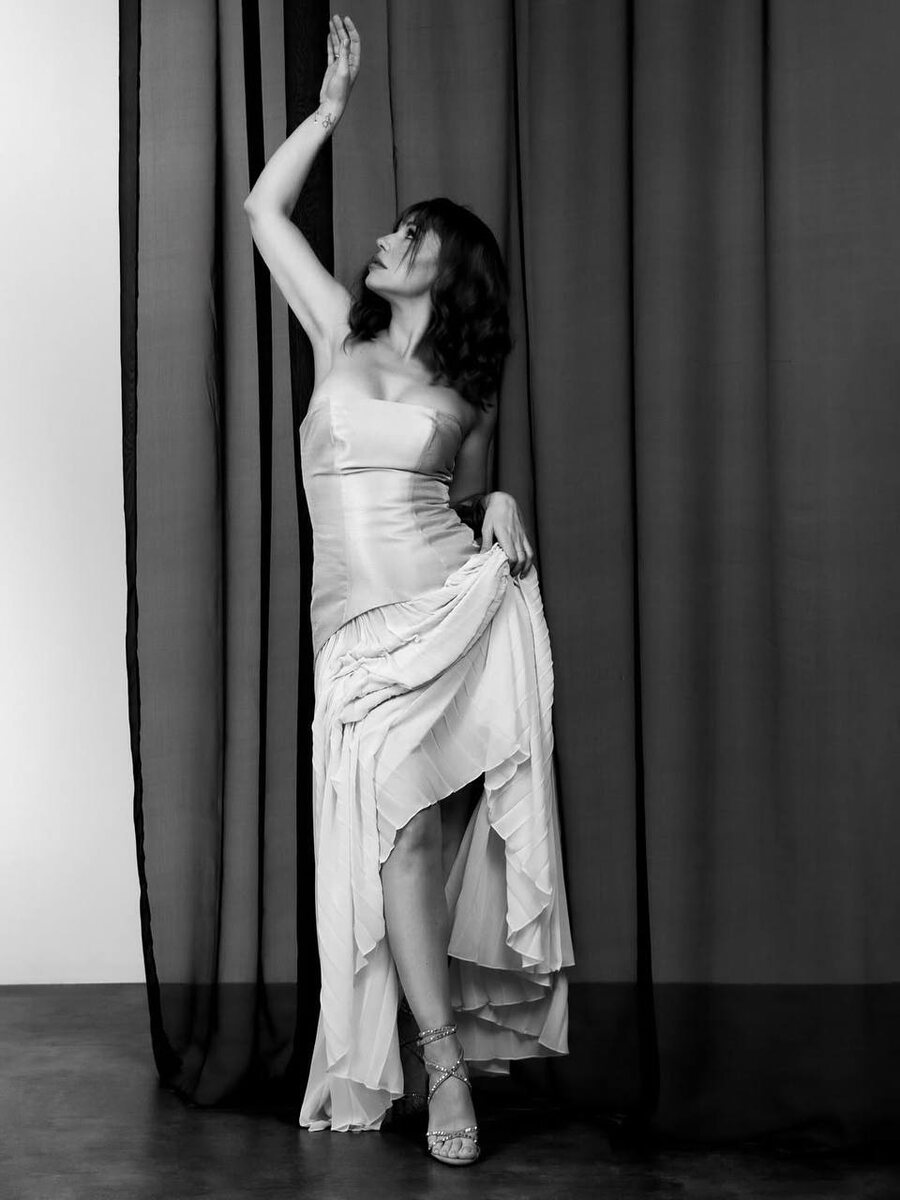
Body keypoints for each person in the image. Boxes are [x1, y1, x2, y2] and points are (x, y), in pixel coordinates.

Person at [244, 13, 573, 1168]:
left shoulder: (467, 392)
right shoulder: (339, 334)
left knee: (417, 835)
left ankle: (445, 1067)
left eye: (409, 232)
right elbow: (263, 213)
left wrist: (499, 501)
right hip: (355, 633)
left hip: (444, 610)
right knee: (395, 834)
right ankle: (438, 1056)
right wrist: (326, 115)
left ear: (450, 265)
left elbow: (460, 495)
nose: (385, 239)